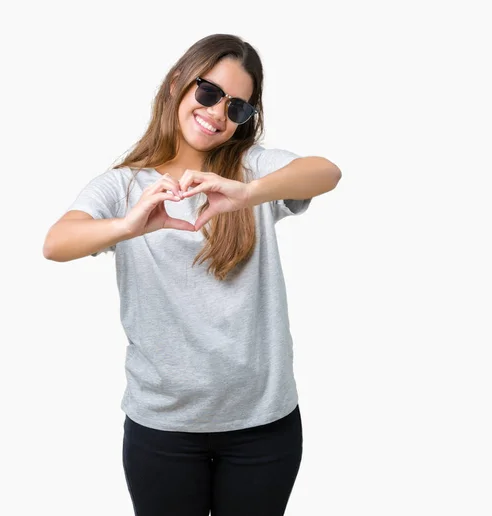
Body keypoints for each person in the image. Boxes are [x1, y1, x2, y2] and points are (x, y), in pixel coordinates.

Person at [43, 33, 341, 516]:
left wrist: (248, 194)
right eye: (209, 93)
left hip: (262, 427)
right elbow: (55, 243)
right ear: (177, 84)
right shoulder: (123, 186)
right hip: (162, 430)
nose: (219, 113)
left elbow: (326, 172)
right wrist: (127, 225)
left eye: (238, 107)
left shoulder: (252, 169)